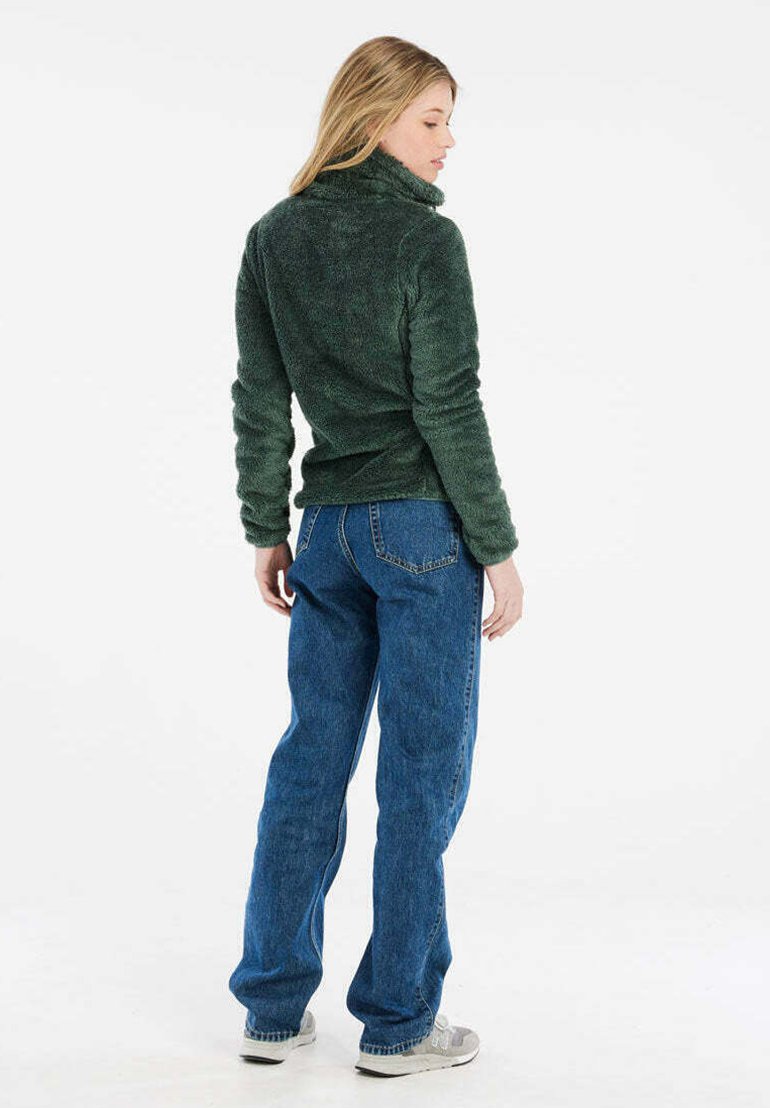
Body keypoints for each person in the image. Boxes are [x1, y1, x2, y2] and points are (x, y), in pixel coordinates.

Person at [227, 35, 524, 1078]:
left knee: (310, 759)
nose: (448, 141)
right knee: (418, 778)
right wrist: (495, 546)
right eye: (430, 119)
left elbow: (260, 398)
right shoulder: (423, 242)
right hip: (420, 533)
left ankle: (271, 1009)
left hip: (327, 534)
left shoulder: (273, 237)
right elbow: (448, 402)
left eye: (448, 120)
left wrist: (266, 526)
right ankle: (398, 1025)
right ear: (372, 116)